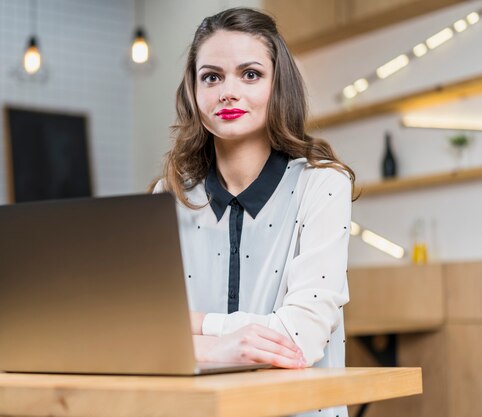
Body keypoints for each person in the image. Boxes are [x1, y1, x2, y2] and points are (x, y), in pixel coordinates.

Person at [152, 7, 354, 417]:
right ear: (193, 91)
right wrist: (223, 345)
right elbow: (141, 338)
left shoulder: (323, 184)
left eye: (250, 74)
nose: (228, 91)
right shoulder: (167, 197)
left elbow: (299, 337)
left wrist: (199, 329)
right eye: (211, 76)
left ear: (278, 86)